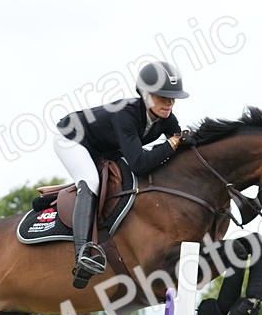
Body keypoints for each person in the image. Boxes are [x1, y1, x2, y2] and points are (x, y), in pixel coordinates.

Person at [54, 60, 188, 285]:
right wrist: (171, 145)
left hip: (103, 147)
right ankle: (83, 254)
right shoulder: (127, 114)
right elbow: (140, 163)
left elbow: (180, 143)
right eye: (163, 96)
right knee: (91, 181)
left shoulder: (166, 119)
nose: (169, 103)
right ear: (145, 95)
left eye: (172, 98)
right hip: (71, 139)